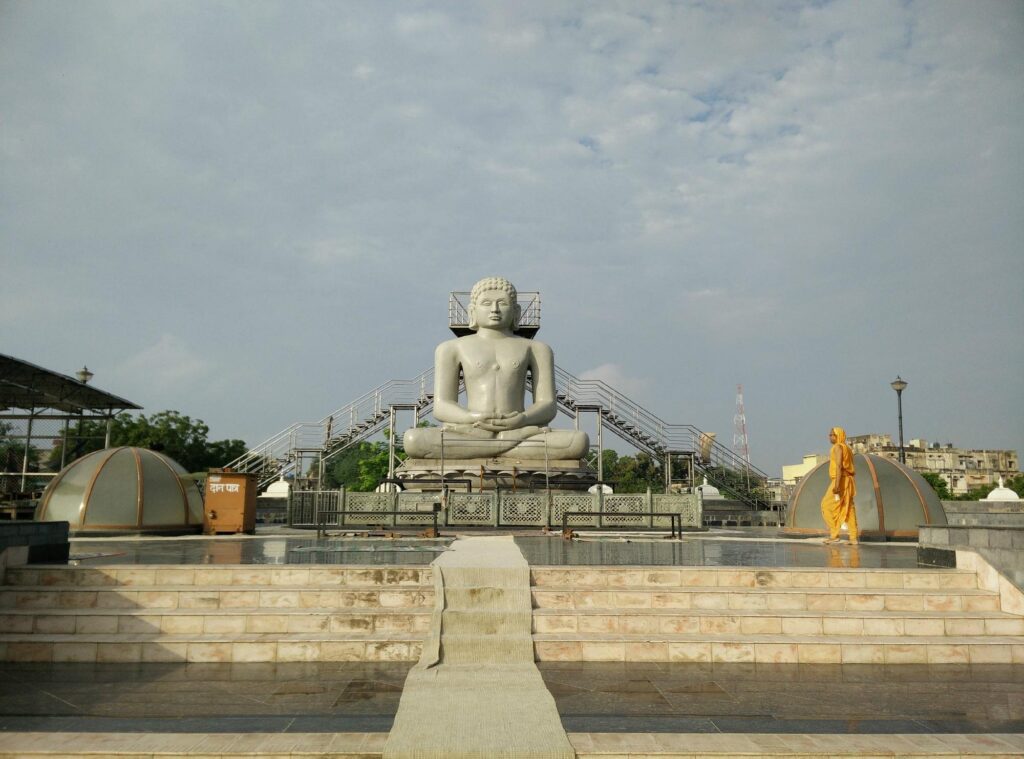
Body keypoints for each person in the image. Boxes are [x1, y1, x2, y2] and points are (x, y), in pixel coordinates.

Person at [403, 276, 589, 460]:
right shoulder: (451, 348)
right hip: (472, 430)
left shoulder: (536, 349)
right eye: (486, 303)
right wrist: (473, 418)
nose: (495, 309)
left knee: (578, 441)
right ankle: (506, 445)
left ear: (516, 311)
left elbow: (547, 406)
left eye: (502, 303)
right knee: (413, 439)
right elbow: (442, 406)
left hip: (515, 428)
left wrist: (522, 420)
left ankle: (492, 445)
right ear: (472, 311)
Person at [821, 426, 858, 544]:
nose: (829, 436)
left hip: (840, 480)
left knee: (825, 505)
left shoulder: (837, 447)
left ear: (838, 436)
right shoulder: (847, 448)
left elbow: (838, 466)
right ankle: (853, 537)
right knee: (848, 508)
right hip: (848, 480)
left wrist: (836, 485)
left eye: (832, 435)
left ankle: (834, 533)